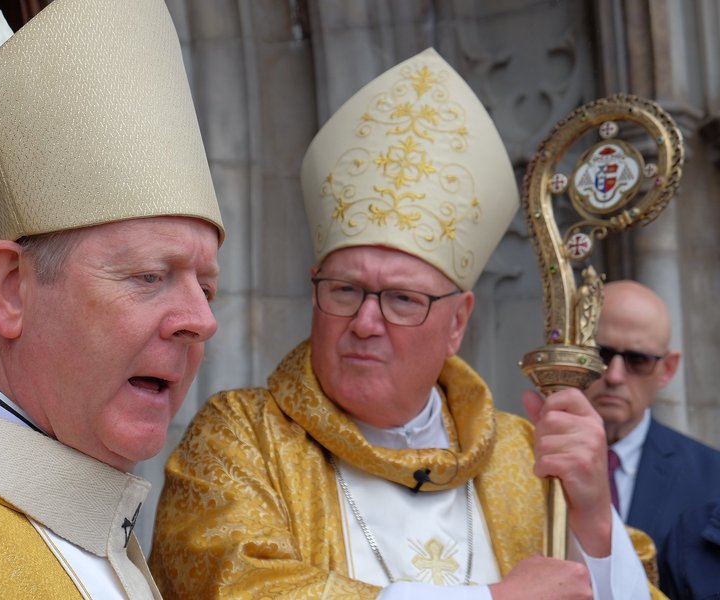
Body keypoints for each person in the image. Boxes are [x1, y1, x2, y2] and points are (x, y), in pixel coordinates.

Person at [149, 48, 660, 599]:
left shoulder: (524, 458)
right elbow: (236, 587)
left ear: (458, 321)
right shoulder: (241, 436)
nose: (366, 322)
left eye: (401, 299)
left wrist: (595, 527)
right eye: (344, 290)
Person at [0, 0, 223, 598]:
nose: (202, 321)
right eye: (149, 276)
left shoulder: (84, 517)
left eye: (207, 286)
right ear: (11, 288)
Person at [586, 280, 720, 577]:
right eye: (600, 355)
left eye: (638, 360)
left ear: (667, 369)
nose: (615, 376)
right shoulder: (523, 463)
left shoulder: (712, 479)